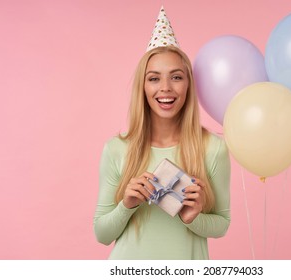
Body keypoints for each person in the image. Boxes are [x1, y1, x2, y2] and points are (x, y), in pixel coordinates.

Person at [93, 7, 231, 260]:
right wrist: (127, 205)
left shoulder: (213, 148)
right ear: (142, 87)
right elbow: (101, 234)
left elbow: (222, 224)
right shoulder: (116, 149)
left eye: (176, 77)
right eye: (154, 78)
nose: (165, 88)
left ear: (188, 84)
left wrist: (194, 218)